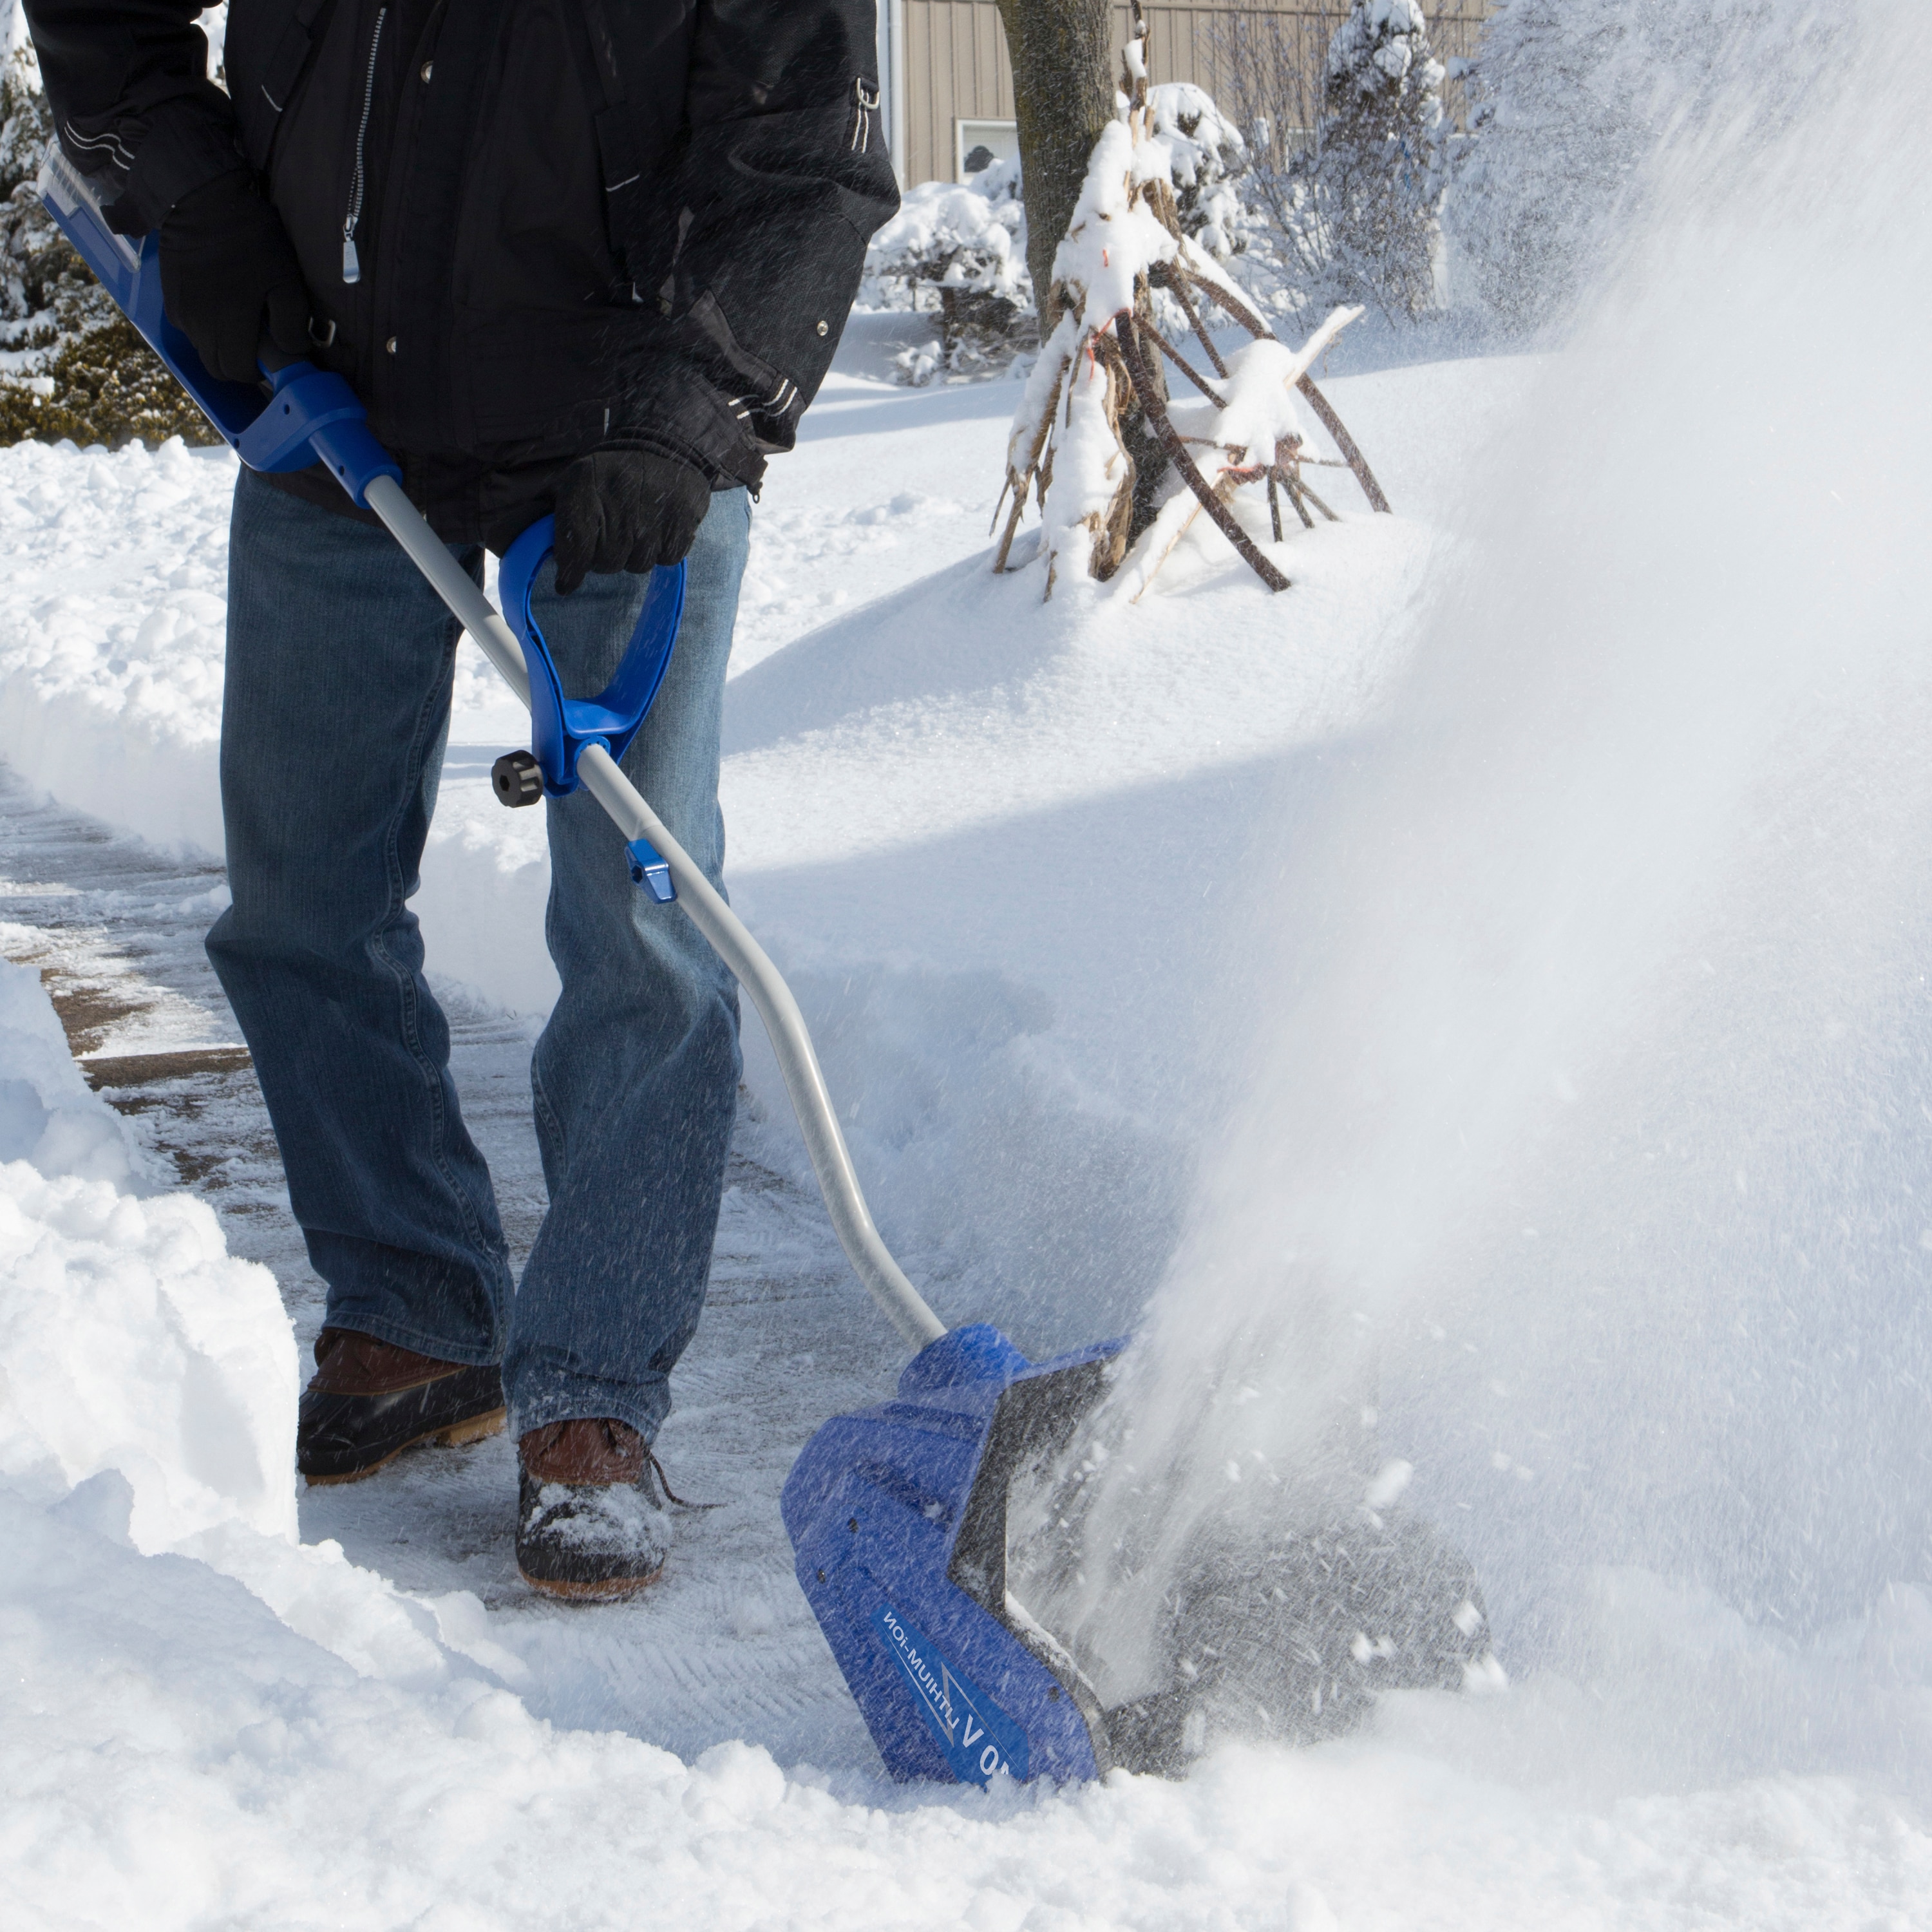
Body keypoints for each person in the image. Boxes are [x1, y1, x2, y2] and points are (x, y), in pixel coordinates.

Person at [22, 0, 897, 1598]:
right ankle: (415, 1308)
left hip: (628, 441)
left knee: (642, 926)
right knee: (300, 896)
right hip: (332, 387)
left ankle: (594, 1399)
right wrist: (197, 197)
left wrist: (695, 404)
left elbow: (804, 151)